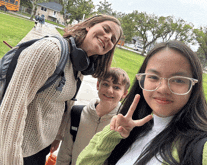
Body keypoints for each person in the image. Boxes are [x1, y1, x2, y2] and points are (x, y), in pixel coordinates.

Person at [0, 14, 122, 165]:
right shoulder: (51, 50)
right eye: (106, 29)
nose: (108, 37)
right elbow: (12, 108)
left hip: (40, 148)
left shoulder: (80, 65)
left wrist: (58, 135)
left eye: (113, 39)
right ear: (89, 26)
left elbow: (67, 102)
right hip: (16, 150)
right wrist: (10, 159)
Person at [76, 40, 207, 165]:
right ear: (142, 80)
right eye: (153, 77)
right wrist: (113, 134)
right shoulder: (134, 131)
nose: (163, 89)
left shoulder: (206, 146)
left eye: (178, 80)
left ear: (194, 86)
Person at [56, 67, 130, 165]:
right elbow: (65, 151)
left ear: (124, 93)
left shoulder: (124, 123)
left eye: (116, 87)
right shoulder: (77, 113)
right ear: (98, 85)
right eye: (105, 84)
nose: (109, 90)